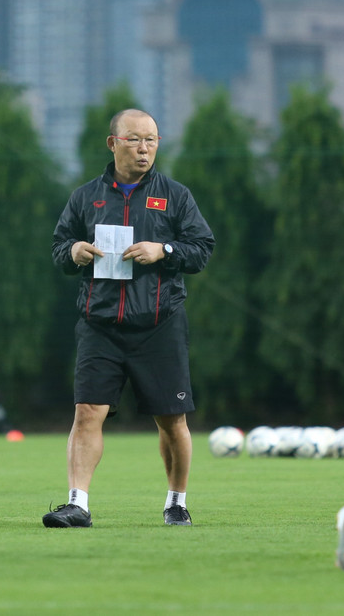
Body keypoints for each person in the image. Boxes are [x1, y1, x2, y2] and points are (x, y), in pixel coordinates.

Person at [44, 109, 215, 528]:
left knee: (172, 420)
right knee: (87, 412)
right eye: (135, 139)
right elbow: (59, 248)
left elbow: (202, 248)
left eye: (152, 140)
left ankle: (176, 503)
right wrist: (74, 252)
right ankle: (77, 504)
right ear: (113, 143)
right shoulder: (86, 197)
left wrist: (165, 251)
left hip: (159, 323)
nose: (144, 148)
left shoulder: (175, 195)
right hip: (99, 323)